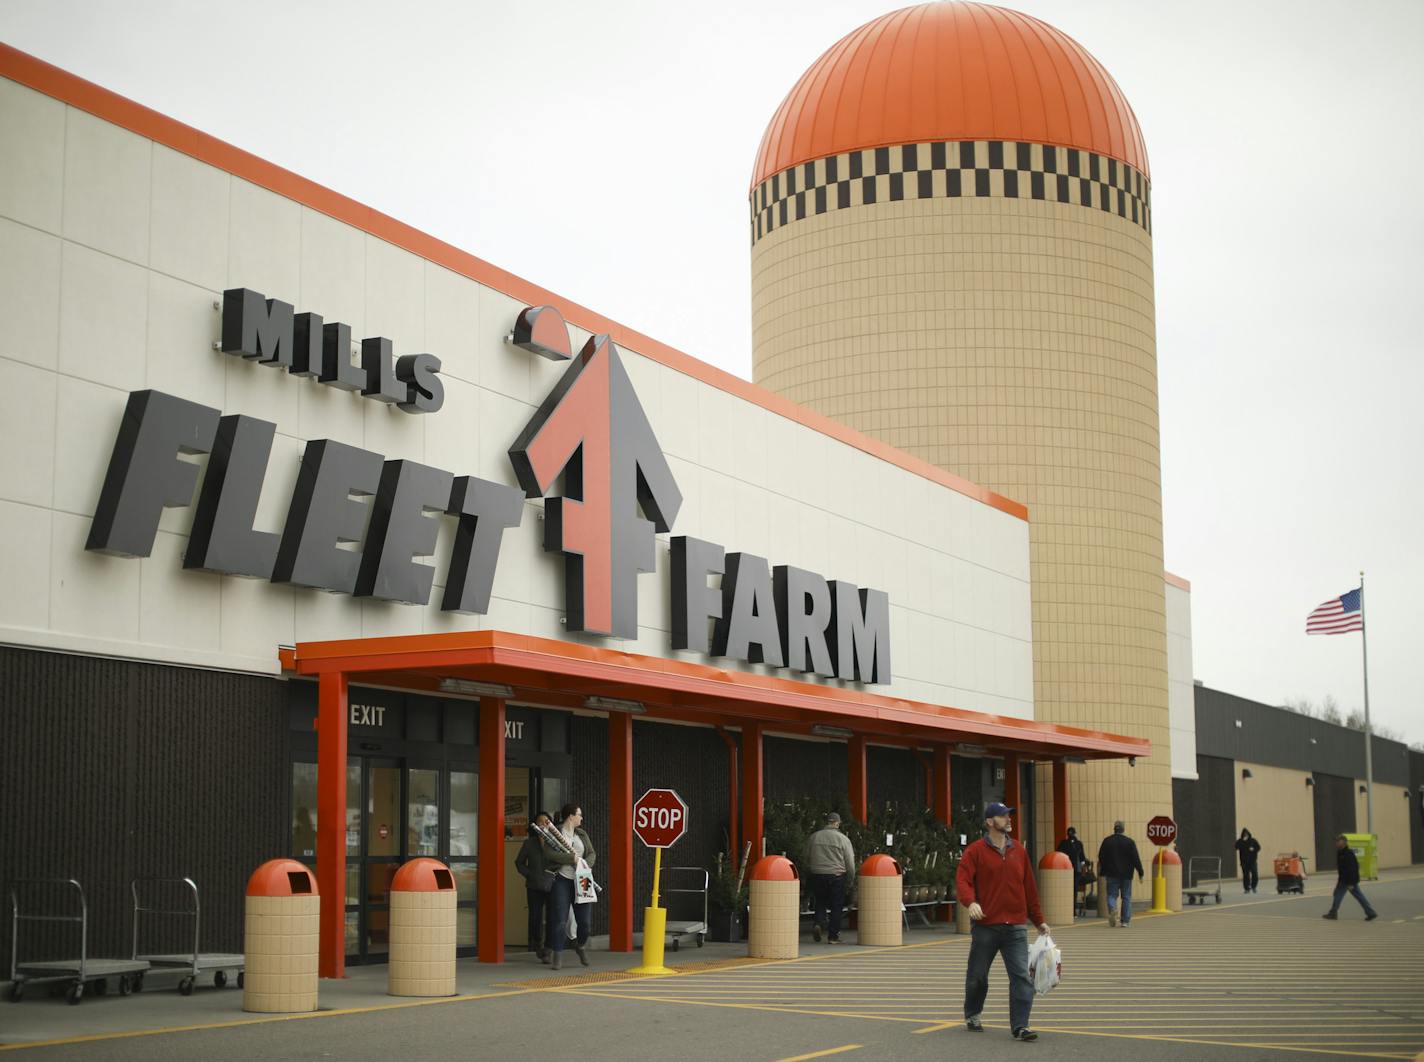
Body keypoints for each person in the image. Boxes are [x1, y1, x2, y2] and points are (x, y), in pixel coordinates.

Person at [956, 802, 1050, 1043]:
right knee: (977, 976)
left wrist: (1038, 920)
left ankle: (1021, 1026)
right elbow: (963, 881)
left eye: (1009, 815)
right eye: (1003, 815)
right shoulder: (975, 851)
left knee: (1021, 976)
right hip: (986, 927)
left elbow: (1029, 888)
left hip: (1016, 927)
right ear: (990, 822)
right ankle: (973, 1014)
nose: (1009, 819)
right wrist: (971, 902)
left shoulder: (1018, 850)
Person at [543, 803, 597, 969]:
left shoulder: (581, 834)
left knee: (585, 923)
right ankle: (557, 956)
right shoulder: (555, 833)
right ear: (571, 816)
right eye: (579, 814)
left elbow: (592, 853)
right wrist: (570, 859)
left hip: (583, 879)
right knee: (560, 920)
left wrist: (585, 865)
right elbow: (549, 853)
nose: (581, 818)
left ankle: (580, 946)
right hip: (562, 880)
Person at [805, 811, 857, 943]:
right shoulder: (843, 839)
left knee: (820, 901)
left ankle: (818, 923)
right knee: (836, 905)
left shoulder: (814, 837)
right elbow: (850, 862)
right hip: (836, 876)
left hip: (817, 874)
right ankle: (833, 936)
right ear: (837, 823)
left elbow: (806, 856)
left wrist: (811, 870)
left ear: (827, 822)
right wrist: (851, 879)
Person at [515, 811, 554, 962]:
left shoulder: (556, 842)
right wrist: (529, 874)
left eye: (546, 822)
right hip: (534, 885)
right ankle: (537, 943)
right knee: (535, 917)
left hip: (552, 884)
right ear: (535, 825)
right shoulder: (529, 843)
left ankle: (548, 949)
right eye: (540, 822)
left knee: (552, 918)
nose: (543, 824)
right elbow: (519, 863)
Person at [1097, 821, 1145, 927]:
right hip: (1126, 874)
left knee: (1111, 895)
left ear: (1114, 829)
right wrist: (1140, 872)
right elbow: (1135, 858)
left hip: (1111, 873)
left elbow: (1101, 857)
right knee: (1126, 896)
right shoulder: (1129, 842)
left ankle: (1113, 908)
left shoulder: (1107, 841)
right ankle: (1125, 921)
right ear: (1123, 829)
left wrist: (1104, 869)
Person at [1323, 834, 1377, 921]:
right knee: (1356, 896)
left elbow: (1353, 868)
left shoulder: (1348, 853)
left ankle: (1333, 913)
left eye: (1338, 841)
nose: (1336, 843)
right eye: (1336, 841)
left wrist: (1351, 883)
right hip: (1344, 879)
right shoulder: (1340, 852)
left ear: (1343, 843)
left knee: (1339, 895)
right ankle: (1371, 913)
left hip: (1348, 880)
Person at [1057, 826, 1091, 915]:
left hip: (1065, 870)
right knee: (1074, 889)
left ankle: (1066, 909)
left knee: (1065, 890)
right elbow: (1082, 857)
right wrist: (1084, 867)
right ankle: (1073, 911)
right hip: (1076, 870)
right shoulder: (1079, 843)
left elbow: (1058, 854)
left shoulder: (1063, 843)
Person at [1234, 828, 1262, 893]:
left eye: (1246, 834)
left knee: (1255, 874)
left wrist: (1254, 849)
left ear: (1249, 834)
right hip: (1244, 862)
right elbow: (1236, 847)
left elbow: (1258, 847)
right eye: (1244, 835)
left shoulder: (1253, 841)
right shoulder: (1240, 841)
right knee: (1246, 875)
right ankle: (1247, 888)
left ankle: (1253, 886)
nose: (1245, 836)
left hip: (1252, 861)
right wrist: (1242, 841)